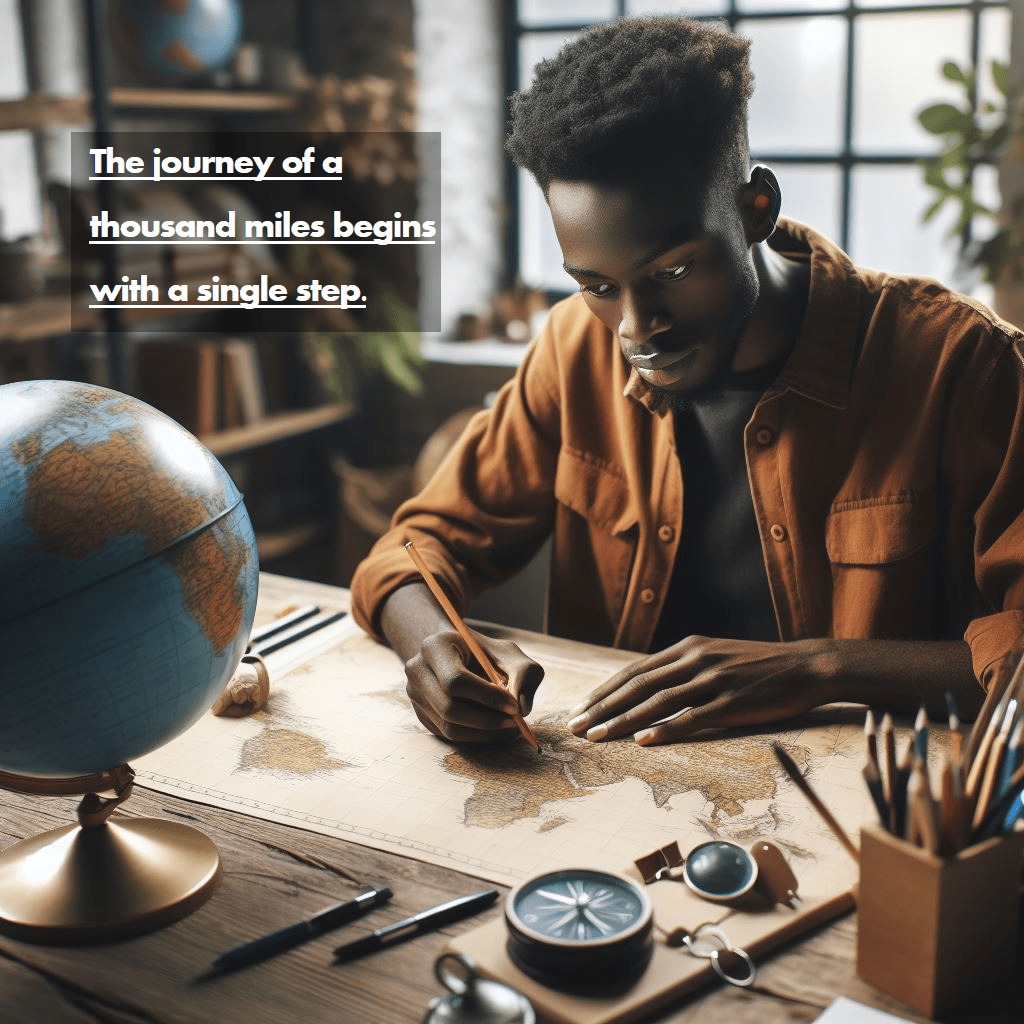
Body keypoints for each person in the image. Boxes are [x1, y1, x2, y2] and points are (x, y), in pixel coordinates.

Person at [350, 16, 1024, 747]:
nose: (637, 328)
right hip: (616, 797)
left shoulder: (963, 366)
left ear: (755, 209)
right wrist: (437, 648)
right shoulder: (576, 347)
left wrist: (823, 669)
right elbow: (414, 548)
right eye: (597, 285)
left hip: (871, 816)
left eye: (671, 272)